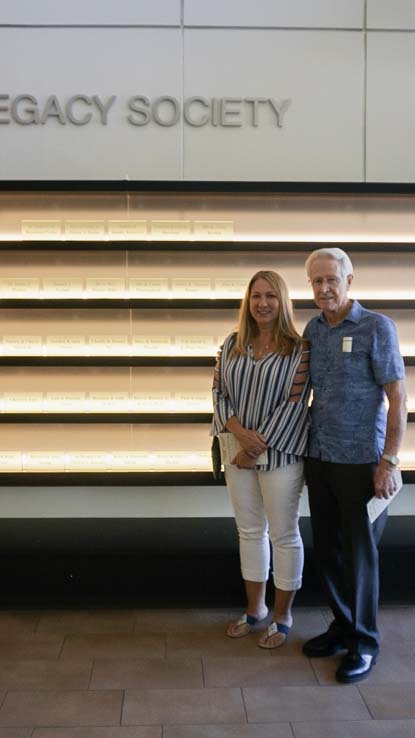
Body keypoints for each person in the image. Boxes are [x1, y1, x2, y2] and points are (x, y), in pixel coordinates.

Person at [302, 247, 407, 683]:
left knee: (360, 556)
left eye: (331, 279)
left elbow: (399, 398)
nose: (324, 288)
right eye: (316, 281)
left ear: (349, 280)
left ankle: (365, 643)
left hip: (362, 461)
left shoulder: (376, 327)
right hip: (320, 456)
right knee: (328, 550)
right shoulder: (313, 328)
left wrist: (390, 460)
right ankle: (342, 628)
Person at [211, 270, 310, 648]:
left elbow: (296, 403)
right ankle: (256, 610)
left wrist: (258, 446)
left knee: (284, 534)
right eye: (256, 296)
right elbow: (218, 392)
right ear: (247, 301)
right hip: (235, 450)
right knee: (250, 531)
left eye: (271, 296)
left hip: (281, 453)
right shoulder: (232, 343)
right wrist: (241, 437)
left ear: (282, 302)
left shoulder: (299, 349)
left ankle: (283, 615)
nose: (263, 303)